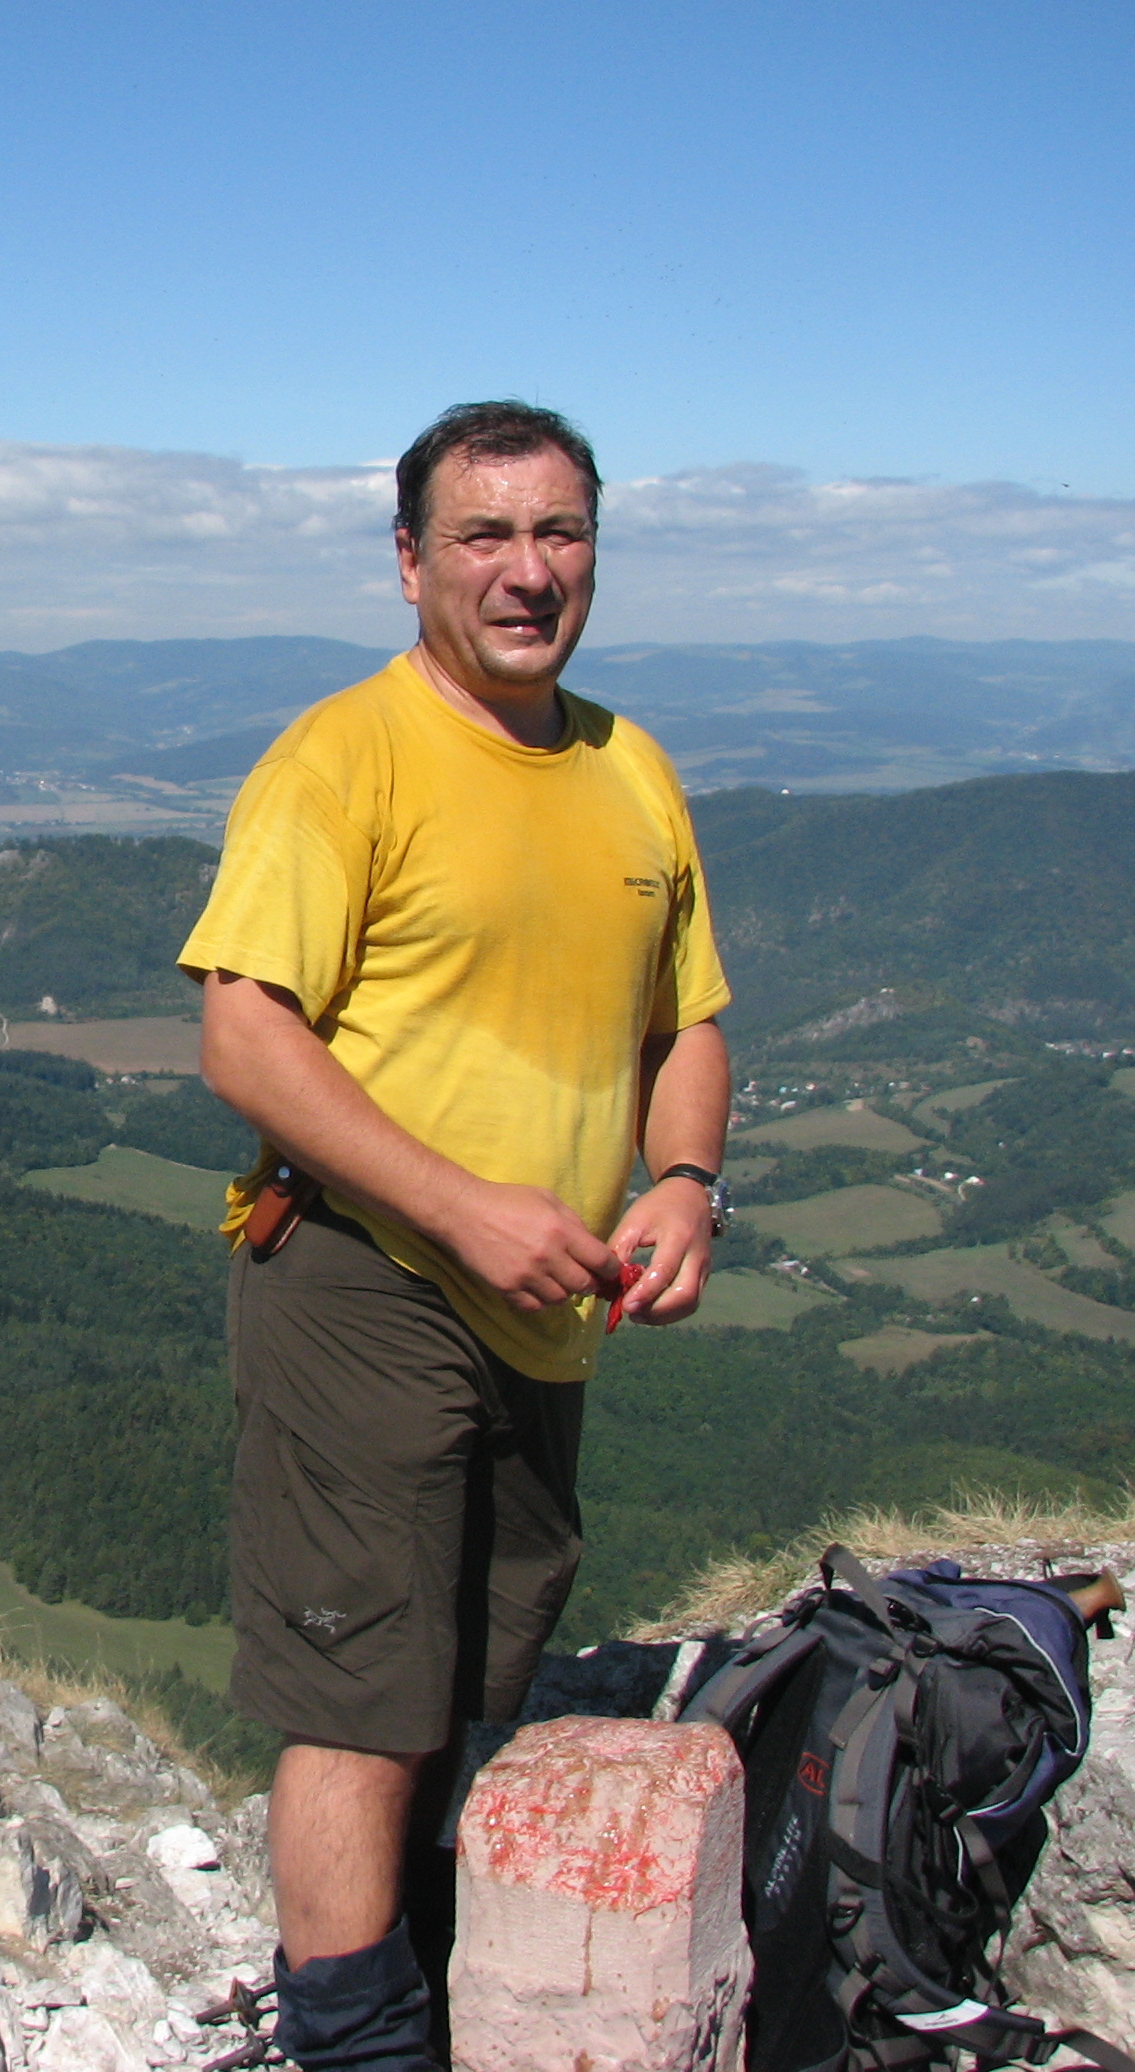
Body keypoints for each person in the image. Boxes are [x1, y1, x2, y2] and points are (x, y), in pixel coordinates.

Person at [176, 401, 733, 2070]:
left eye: (559, 532)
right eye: (484, 535)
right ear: (410, 562)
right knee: (362, 1694)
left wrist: (685, 1179)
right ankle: (354, 2041)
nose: (526, 570)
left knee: (477, 1669)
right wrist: (461, 1207)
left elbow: (685, 1022)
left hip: (544, 1304)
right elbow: (245, 1036)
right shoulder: (345, 758)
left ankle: (422, 1968)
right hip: (367, 1274)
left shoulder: (630, 768)